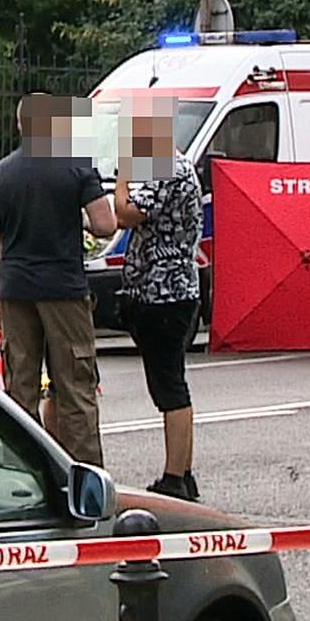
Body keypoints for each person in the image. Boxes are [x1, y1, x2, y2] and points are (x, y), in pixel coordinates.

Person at [0, 94, 116, 465]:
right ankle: (86, 475)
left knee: (20, 389)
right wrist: (79, 220)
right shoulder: (75, 168)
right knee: (75, 388)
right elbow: (106, 224)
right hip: (64, 291)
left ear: (21, 126)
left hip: (16, 291)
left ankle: (26, 471)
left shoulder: (0, 173)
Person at [113, 94, 203, 501]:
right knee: (171, 383)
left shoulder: (164, 166)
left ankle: (176, 476)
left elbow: (127, 214)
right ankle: (183, 469)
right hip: (172, 288)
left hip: (163, 293)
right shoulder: (174, 163)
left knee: (169, 386)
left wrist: (122, 176)